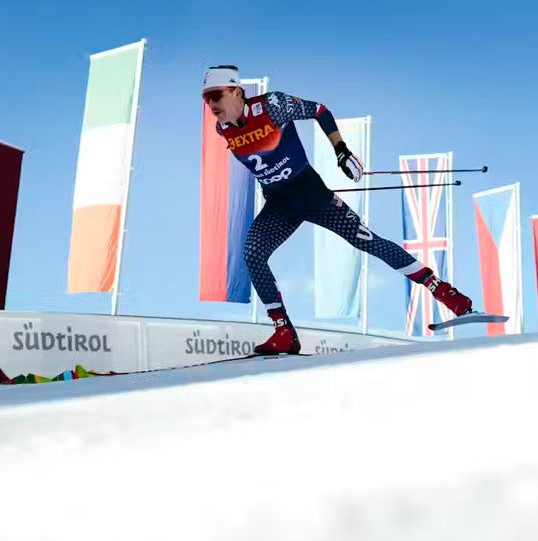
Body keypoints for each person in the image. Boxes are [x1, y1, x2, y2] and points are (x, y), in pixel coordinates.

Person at [202, 65, 476, 355]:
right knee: (253, 253)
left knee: (367, 241)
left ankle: (444, 291)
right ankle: (284, 331)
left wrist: (341, 151)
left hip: (311, 195)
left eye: (216, 95)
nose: (211, 105)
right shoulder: (223, 129)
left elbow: (320, 110)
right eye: (206, 99)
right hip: (279, 204)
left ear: (236, 91)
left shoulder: (272, 106)